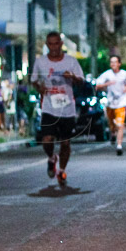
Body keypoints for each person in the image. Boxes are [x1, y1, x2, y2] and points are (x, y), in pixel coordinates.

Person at [30, 31, 84, 187]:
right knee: (47, 139)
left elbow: (81, 81)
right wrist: (40, 89)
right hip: (49, 107)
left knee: (65, 143)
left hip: (67, 108)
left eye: (56, 43)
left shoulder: (71, 61)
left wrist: (72, 77)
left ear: (61, 44)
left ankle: (61, 170)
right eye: (50, 44)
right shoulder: (40, 62)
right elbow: (34, 80)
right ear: (47, 45)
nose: (54, 47)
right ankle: (51, 158)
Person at [96, 54, 126, 155]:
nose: (113, 64)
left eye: (115, 62)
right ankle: (112, 133)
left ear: (119, 63)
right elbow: (97, 85)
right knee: (112, 125)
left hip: (121, 102)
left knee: (120, 125)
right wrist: (107, 84)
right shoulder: (107, 74)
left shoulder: (125, 74)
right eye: (111, 62)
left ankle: (119, 145)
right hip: (110, 103)